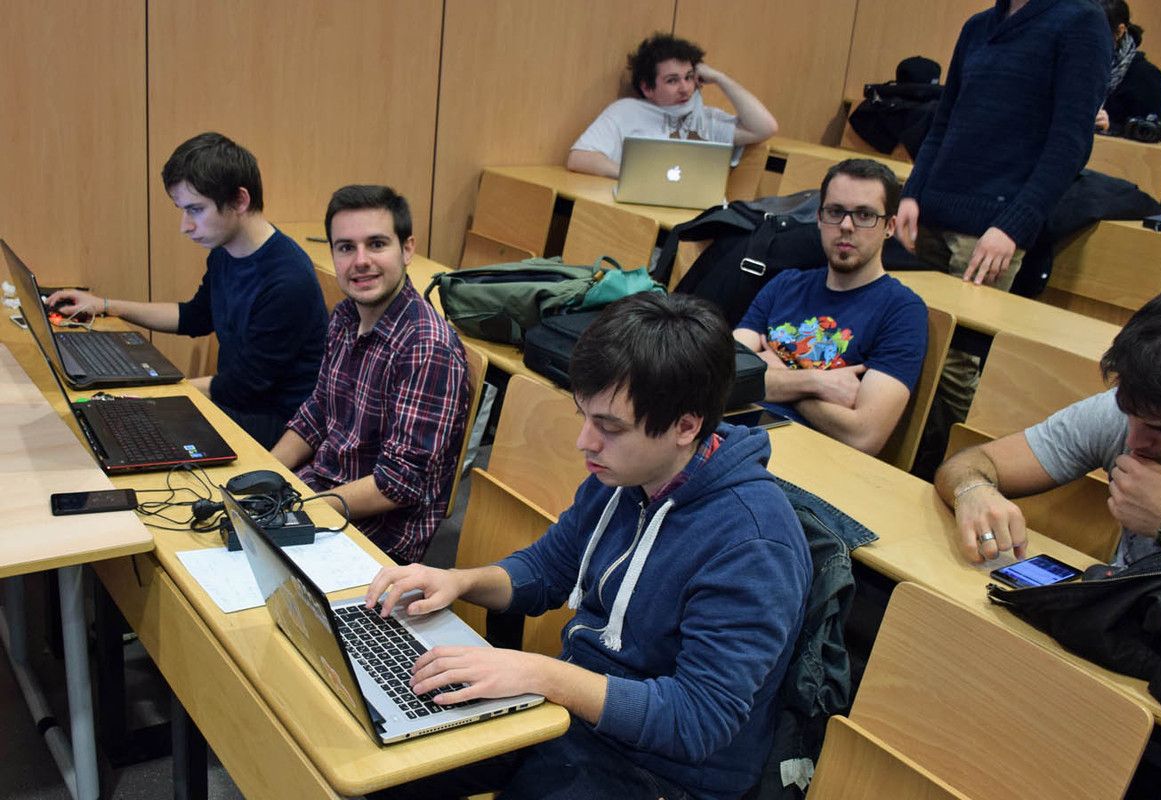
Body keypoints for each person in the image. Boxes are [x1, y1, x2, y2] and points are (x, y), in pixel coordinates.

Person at [365, 292, 811, 800]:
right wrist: (457, 581)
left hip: (665, 774)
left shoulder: (754, 544)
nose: (585, 442)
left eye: (609, 427)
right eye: (585, 416)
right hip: (575, 717)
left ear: (686, 426)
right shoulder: (626, 474)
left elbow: (696, 720)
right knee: (388, 760)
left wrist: (541, 674)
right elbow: (548, 568)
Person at [893, 0, 1111, 431]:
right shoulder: (978, 26)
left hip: (992, 230)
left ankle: (965, 458)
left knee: (956, 365)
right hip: (931, 213)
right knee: (908, 343)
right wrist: (912, 193)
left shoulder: (1080, 20)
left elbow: (1070, 142)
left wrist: (1013, 226)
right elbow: (944, 122)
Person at [46, 132, 328, 448]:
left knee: (114, 428)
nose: (185, 226)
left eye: (195, 210)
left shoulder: (287, 281)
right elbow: (195, 316)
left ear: (240, 200)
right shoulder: (225, 252)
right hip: (236, 404)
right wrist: (106, 305)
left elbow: (244, 386)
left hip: (276, 427)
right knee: (95, 421)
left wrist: (153, 394)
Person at [934, 281, 1161, 566]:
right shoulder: (1120, 414)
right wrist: (972, 491)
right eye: (1129, 412)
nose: (1134, 440)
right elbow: (969, 464)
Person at [272, 185, 469, 564]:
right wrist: (265, 474)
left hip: (374, 539)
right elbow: (318, 412)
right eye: (346, 248)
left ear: (407, 249)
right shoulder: (345, 316)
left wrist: (302, 507)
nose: (360, 261)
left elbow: (397, 484)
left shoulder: (426, 347)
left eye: (376, 244)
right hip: (322, 497)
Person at [733, 159, 928, 456]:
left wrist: (775, 376)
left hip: (814, 458)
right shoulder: (785, 284)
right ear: (819, 218)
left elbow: (863, 436)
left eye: (864, 215)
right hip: (738, 433)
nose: (846, 226)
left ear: (889, 226)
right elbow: (723, 375)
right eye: (836, 212)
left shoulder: (903, 311)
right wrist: (814, 382)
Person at [566, 32, 778, 179]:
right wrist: (634, 176)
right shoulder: (626, 111)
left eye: (689, 77)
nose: (685, 88)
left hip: (699, 217)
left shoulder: (706, 119)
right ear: (647, 88)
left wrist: (720, 78)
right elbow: (579, 158)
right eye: (672, 80)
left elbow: (765, 127)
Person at [1094, 0, 1161, 134]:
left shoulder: (1146, 76)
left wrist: (1110, 127)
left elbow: (1157, 133)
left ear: (1119, 31)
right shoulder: (1073, 63)